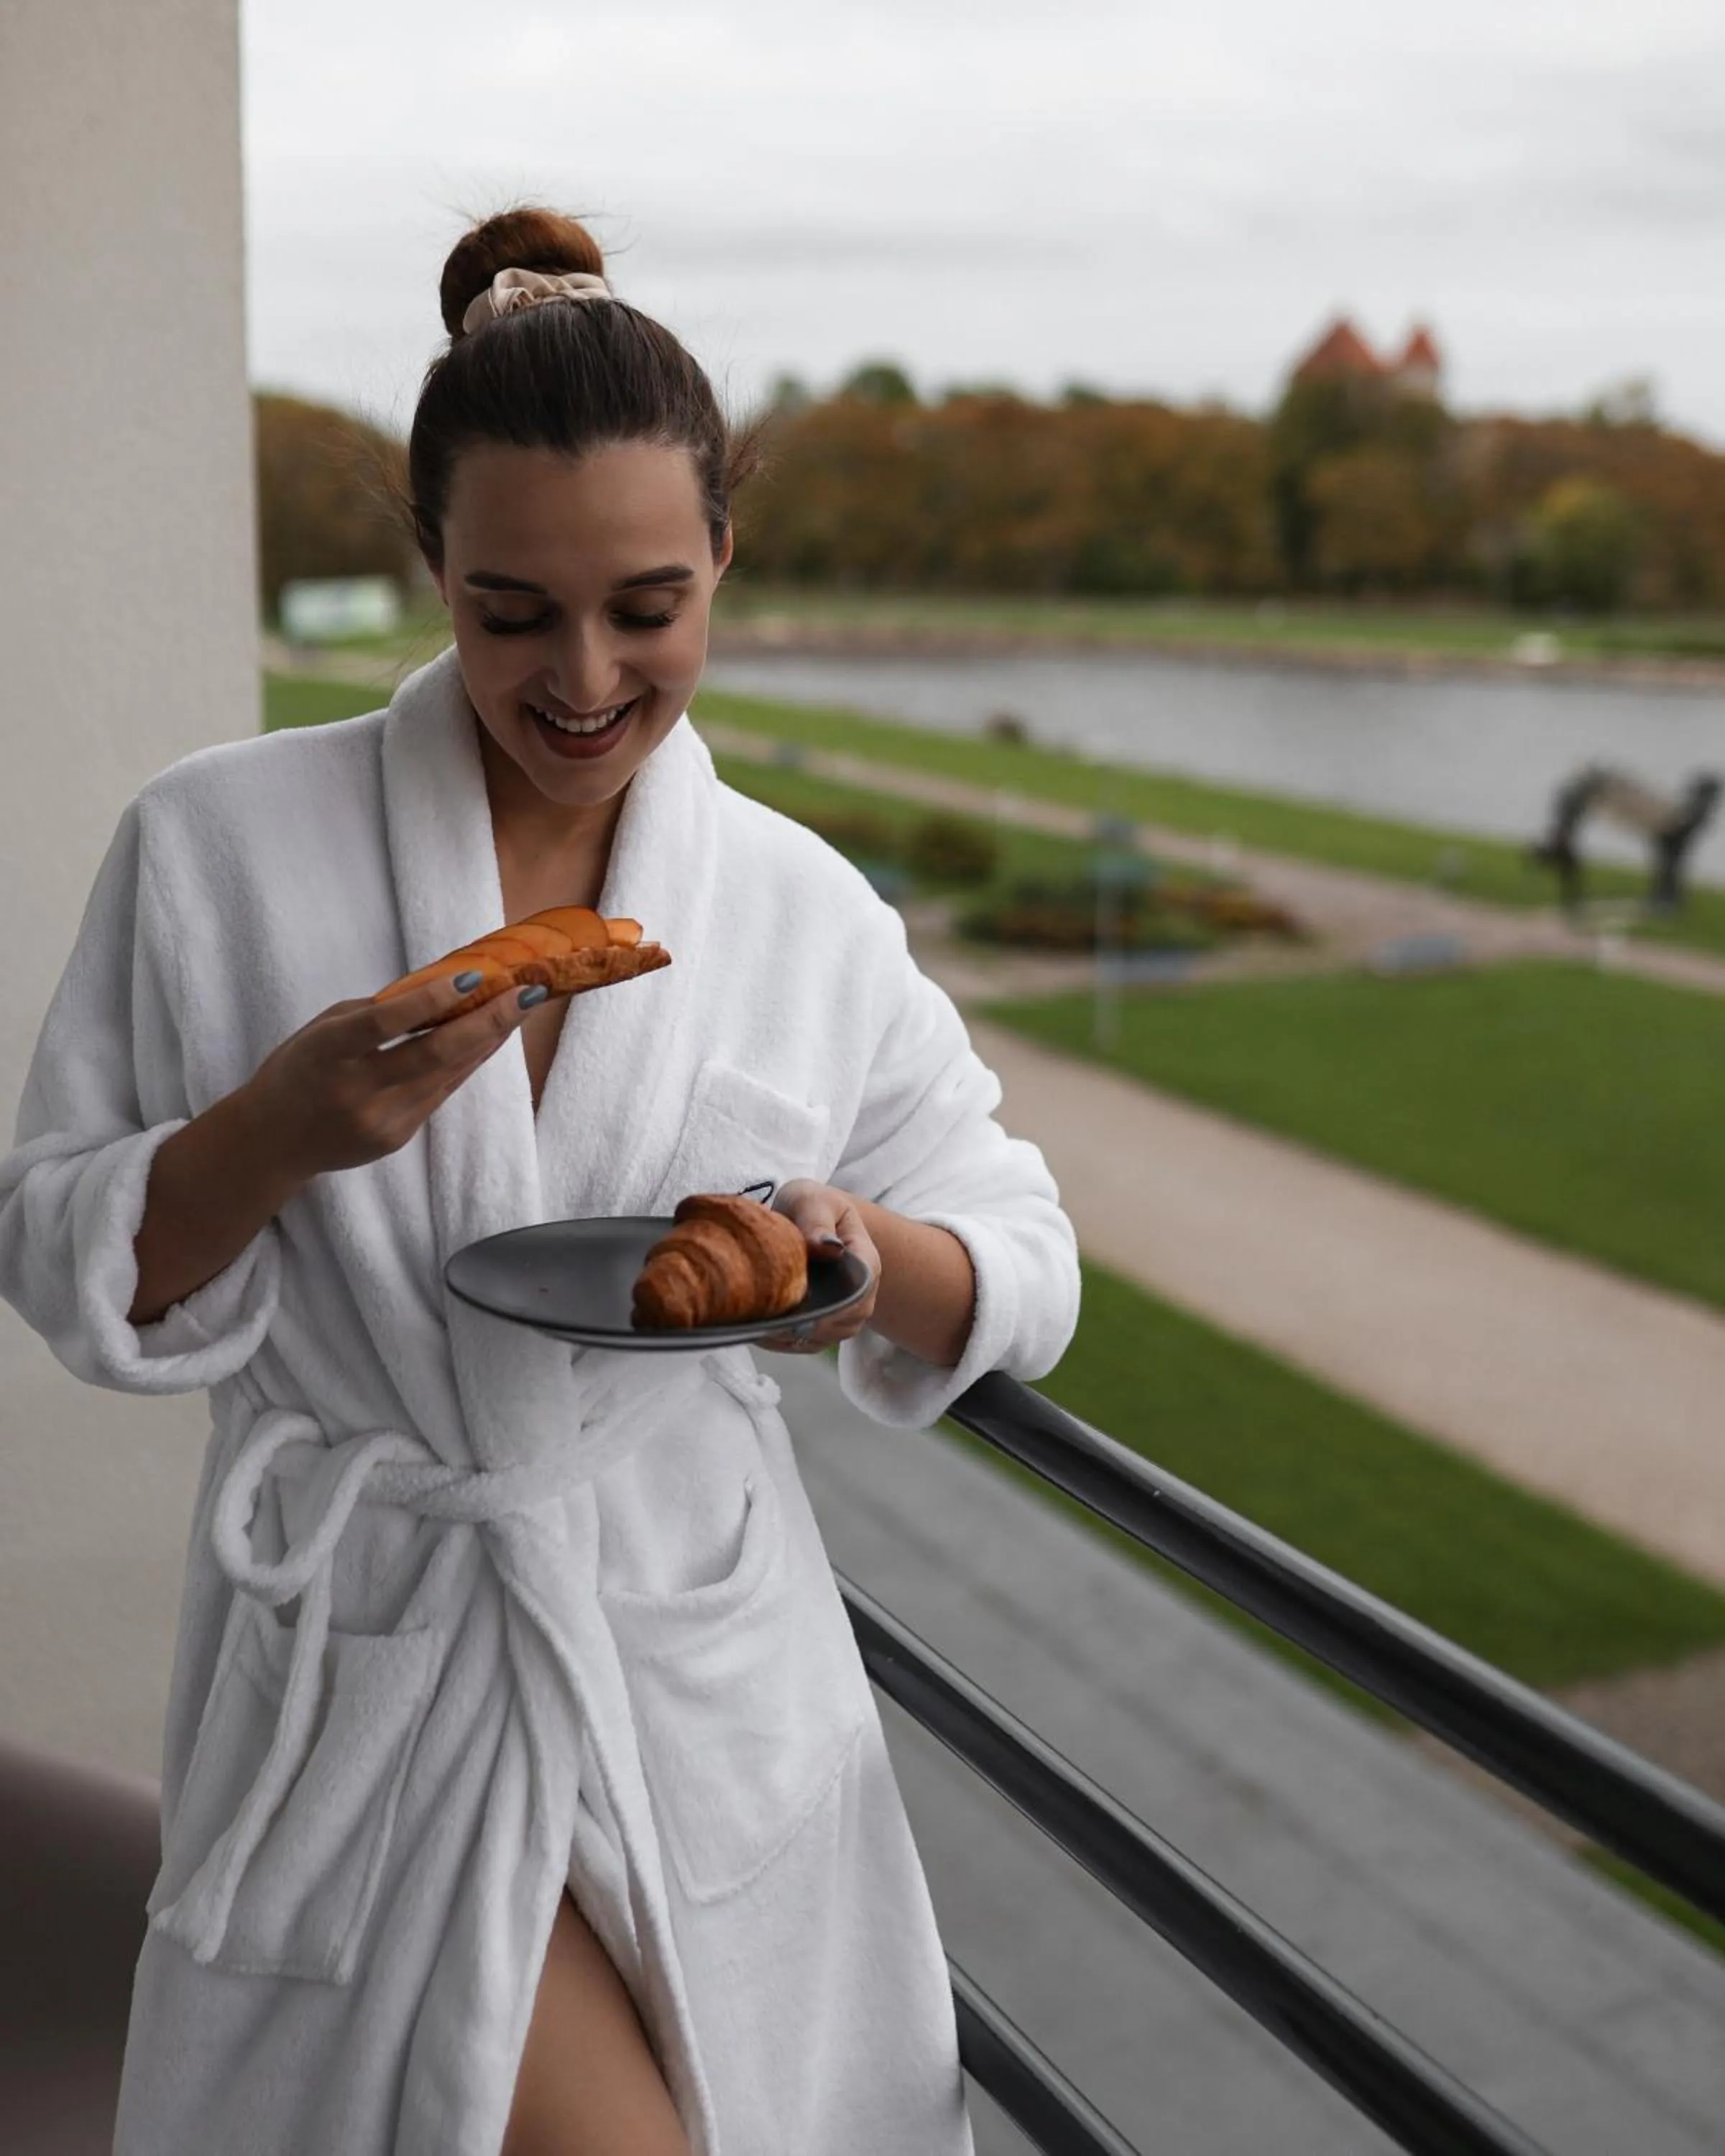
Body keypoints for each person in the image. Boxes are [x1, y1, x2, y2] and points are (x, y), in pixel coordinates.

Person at [0, 206, 1080, 2156]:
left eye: (647, 607)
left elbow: (1014, 1245)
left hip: (696, 1658)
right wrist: (277, 1130)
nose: (582, 679)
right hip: (382, 1663)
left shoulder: (795, 909)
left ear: (725, 563)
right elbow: (62, 1241)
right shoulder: (219, 849)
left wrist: (855, 1252)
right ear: (434, 569)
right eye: (513, 614)